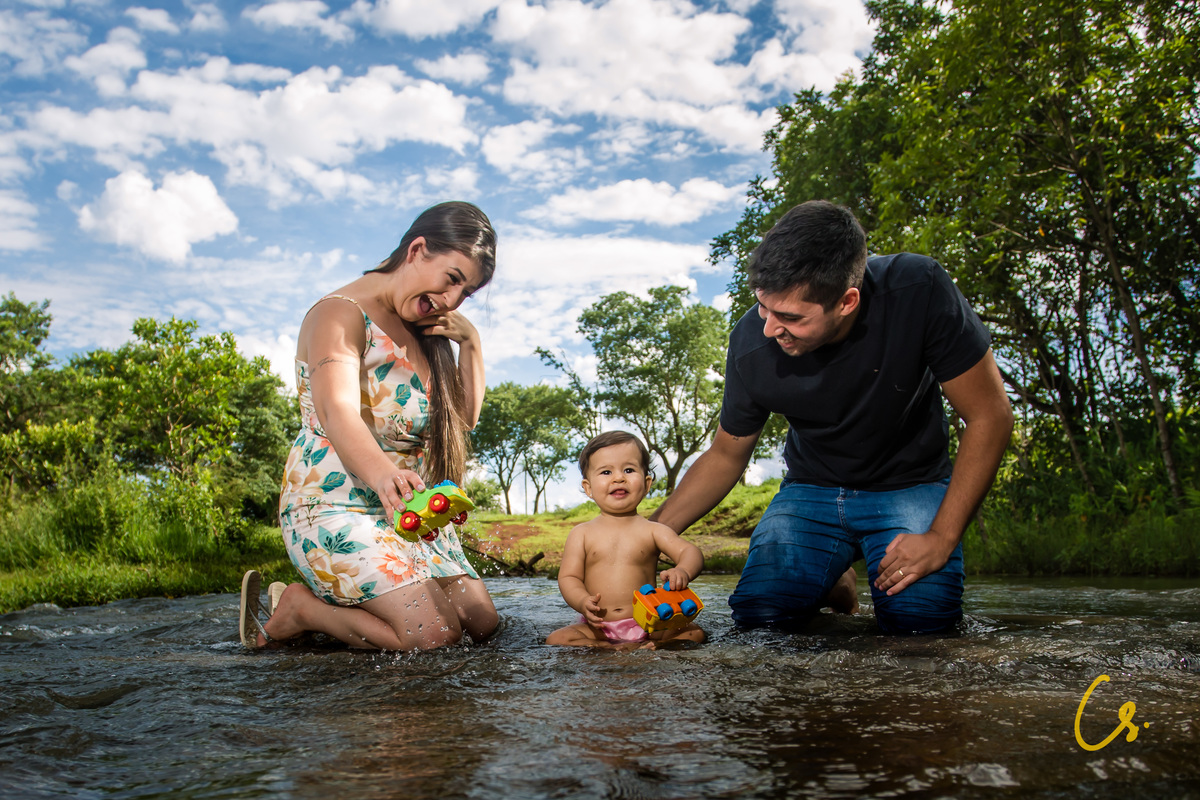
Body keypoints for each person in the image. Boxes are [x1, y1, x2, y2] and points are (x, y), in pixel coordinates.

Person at [651, 200, 1013, 635]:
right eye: (763, 306)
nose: (769, 328)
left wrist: (941, 538)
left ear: (847, 301)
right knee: (760, 621)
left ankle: (837, 571)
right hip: (812, 490)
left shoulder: (919, 289)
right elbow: (726, 455)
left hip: (911, 485)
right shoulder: (752, 341)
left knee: (920, 629)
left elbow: (989, 416)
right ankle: (830, 575)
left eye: (789, 317)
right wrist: (643, 537)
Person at [239, 201, 500, 651]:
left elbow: (466, 420)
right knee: (435, 635)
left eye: (467, 294)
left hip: (405, 510)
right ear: (418, 249)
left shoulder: (426, 329)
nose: (452, 301)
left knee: (481, 626)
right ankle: (301, 610)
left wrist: (470, 344)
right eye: (453, 279)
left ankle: (354, 607)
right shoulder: (339, 313)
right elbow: (336, 409)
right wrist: (385, 477)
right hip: (336, 503)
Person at [546, 431, 706, 649]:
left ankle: (658, 646)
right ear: (588, 487)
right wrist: (582, 601)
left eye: (629, 470)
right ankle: (604, 647)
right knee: (557, 639)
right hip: (599, 627)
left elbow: (691, 552)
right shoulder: (581, 533)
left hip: (650, 623)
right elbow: (569, 577)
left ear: (647, 483)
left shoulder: (653, 530)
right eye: (606, 472)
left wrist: (683, 571)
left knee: (694, 633)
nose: (618, 477)